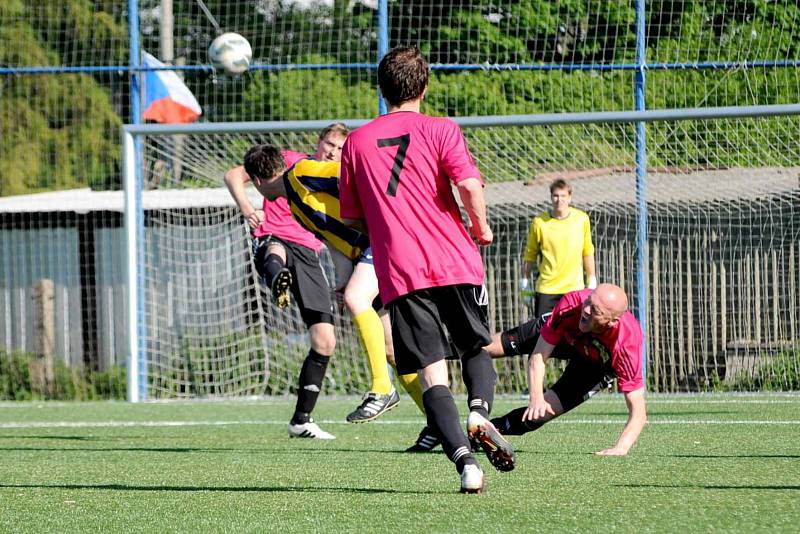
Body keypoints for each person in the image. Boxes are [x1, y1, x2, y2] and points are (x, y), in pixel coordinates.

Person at [339, 45, 513, 494]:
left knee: (432, 370)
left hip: (401, 270)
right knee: (476, 344)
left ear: (381, 89)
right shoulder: (441, 129)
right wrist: (481, 226)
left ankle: (466, 466)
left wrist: (387, 219)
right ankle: (479, 411)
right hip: (455, 258)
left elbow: (352, 216)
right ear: (426, 84)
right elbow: (469, 185)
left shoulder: (356, 142)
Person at [240, 144, 427, 426]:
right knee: (390, 349)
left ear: (256, 182)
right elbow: (333, 242)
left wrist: (383, 209)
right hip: (368, 254)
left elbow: (347, 172)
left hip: (386, 238)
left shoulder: (301, 172)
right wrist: (342, 281)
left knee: (357, 299)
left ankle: (382, 388)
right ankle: (439, 422)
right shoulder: (295, 205)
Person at [223, 124, 347, 440]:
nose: (332, 151)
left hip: (309, 252)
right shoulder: (288, 159)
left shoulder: (334, 174)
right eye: (329, 143)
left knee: (325, 340)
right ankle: (277, 276)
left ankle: (301, 420)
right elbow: (233, 175)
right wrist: (248, 208)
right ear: (319, 142)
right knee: (275, 249)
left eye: (339, 147)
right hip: (275, 236)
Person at [485, 283, 647, 456]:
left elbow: (638, 412)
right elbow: (539, 356)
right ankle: (453, 348)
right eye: (588, 302)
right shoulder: (573, 303)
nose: (586, 310)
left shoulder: (626, 344)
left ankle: (485, 433)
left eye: (596, 311)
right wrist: (536, 397)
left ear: (613, 322)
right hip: (564, 337)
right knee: (490, 348)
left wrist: (621, 448)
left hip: (594, 366)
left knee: (539, 414)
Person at [521, 178, 597, 318]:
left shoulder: (581, 220)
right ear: (551, 197)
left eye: (563, 196)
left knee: (573, 335)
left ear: (569, 197)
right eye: (555, 196)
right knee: (542, 333)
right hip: (547, 289)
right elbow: (530, 254)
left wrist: (591, 279)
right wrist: (524, 282)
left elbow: (587, 251)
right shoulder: (539, 222)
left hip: (574, 289)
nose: (559, 200)